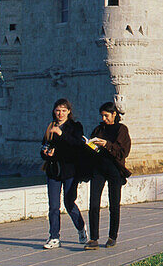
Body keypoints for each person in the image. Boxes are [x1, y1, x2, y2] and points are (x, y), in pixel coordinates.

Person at [40, 98, 88, 249]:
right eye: (58, 110)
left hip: (70, 171)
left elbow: (78, 144)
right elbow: (44, 146)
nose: (60, 113)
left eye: (63, 110)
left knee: (69, 202)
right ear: (54, 111)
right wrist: (46, 153)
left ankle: (81, 228)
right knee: (53, 206)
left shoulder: (75, 127)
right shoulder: (50, 127)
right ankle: (54, 237)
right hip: (53, 170)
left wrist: (61, 133)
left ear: (69, 112)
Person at [84, 101, 131, 249]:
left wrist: (106, 144)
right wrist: (91, 146)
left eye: (106, 115)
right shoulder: (99, 129)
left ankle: (112, 236)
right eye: (102, 116)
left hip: (115, 170)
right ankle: (93, 238)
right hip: (98, 169)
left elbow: (123, 152)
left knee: (114, 204)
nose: (104, 118)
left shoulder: (121, 130)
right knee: (93, 203)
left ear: (114, 114)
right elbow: (94, 151)